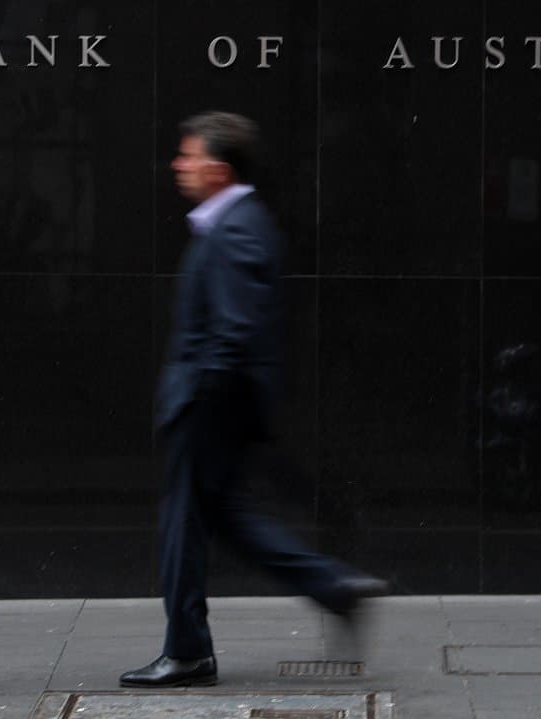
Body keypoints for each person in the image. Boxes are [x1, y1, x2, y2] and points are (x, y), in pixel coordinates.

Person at [119, 111, 390, 689]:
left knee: (185, 529)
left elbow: (235, 330)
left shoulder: (238, 228)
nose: (178, 164)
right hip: (221, 405)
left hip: (212, 408)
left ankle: (189, 652)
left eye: (188, 156)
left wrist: (200, 398)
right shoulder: (235, 222)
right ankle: (334, 589)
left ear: (217, 170)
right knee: (228, 521)